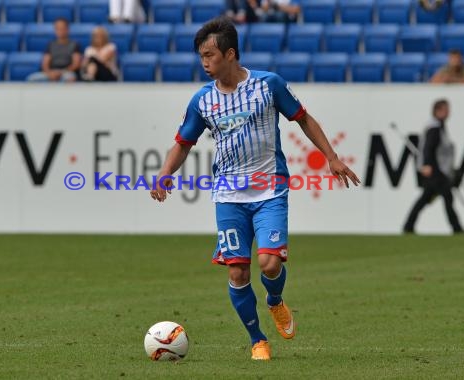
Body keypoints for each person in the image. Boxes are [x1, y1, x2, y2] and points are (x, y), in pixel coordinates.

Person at [150, 18, 360, 361]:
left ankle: (275, 300)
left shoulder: (268, 85)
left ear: (230, 54)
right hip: (229, 196)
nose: (204, 62)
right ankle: (257, 340)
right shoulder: (203, 100)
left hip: (269, 189)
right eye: (201, 56)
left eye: (210, 55)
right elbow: (183, 142)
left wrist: (332, 157)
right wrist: (165, 172)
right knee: (237, 270)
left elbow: (303, 118)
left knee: (269, 264)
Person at [403, 99, 464, 234]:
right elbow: (429, 148)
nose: (448, 112)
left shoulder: (438, 126)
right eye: (445, 109)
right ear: (437, 111)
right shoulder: (434, 128)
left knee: (425, 198)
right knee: (447, 197)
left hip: (437, 169)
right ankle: (457, 228)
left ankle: (408, 226)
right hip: (435, 170)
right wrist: (427, 165)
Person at [27, 18, 81, 82]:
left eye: (62, 28)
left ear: (68, 29)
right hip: (51, 71)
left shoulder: (75, 45)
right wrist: (50, 73)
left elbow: (76, 64)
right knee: (32, 79)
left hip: (66, 72)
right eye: (57, 28)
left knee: (70, 78)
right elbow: (45, 63)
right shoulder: (50, 45)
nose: (60, 31)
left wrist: (61, 72)